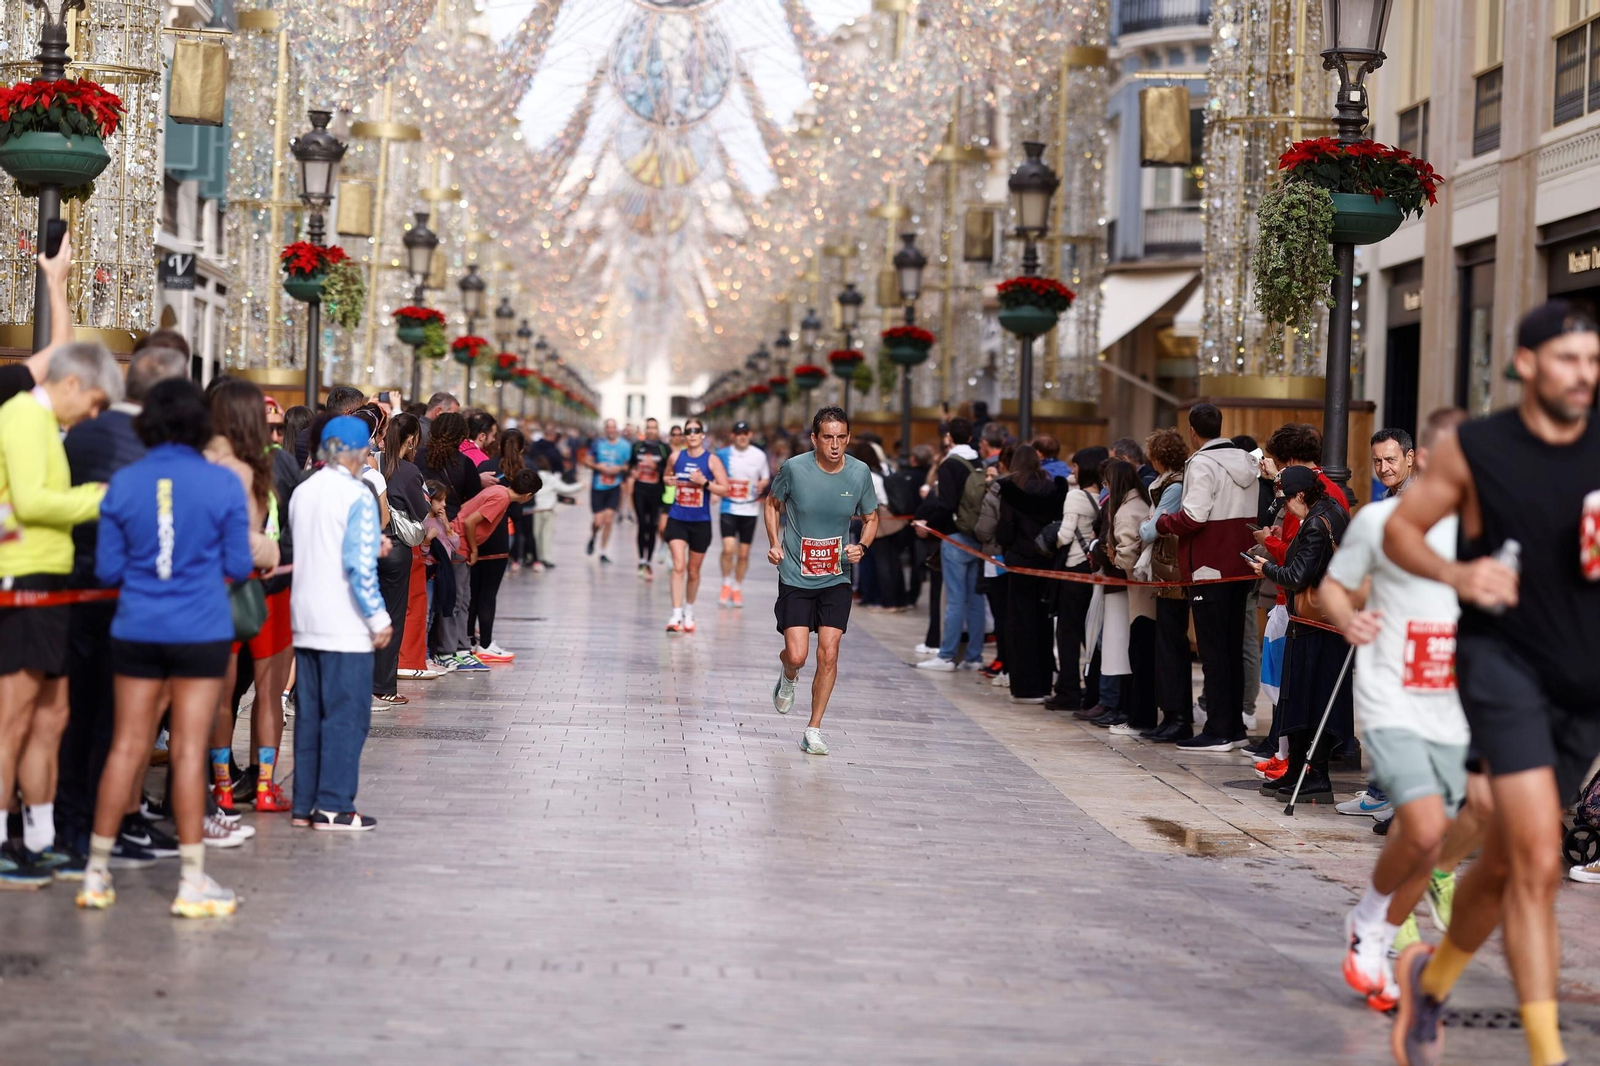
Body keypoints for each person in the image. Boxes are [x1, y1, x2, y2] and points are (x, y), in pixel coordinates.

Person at [1386, 300, 1600, 1066]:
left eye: (1593, 361)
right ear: (1527, 364)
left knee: (1510, 860)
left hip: (1585, 683)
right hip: (1504, 668)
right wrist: (1456, 571)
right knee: (1541, 857)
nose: (1585, 375)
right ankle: (1549, 1055)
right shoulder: (1477, 449)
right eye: (1570, 360)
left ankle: (1433, 984)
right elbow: (1405, 531)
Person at [75, 378, 254, 916]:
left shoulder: (124, 483)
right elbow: (240, 565)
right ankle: (191, 883)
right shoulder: (222, 483)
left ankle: (95, 873)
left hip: (136, 626)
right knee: (185, 750)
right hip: (200, 629)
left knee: (127, 746)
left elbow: (108, 568)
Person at [1319, 407, 1477, 1012]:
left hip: (1457, 702)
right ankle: (1371, 924)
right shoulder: (1379, 522)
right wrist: (1347, 615)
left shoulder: (1483, 529)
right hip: (1391, 697)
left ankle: (1396, 908)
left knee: (1458, 826)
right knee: (1424, 825)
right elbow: (1335, 585)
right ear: (1431, 458)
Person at [52, 345, 189, 879]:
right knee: (117, 720)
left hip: (68, 582)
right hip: (129, 594)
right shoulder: (156, 447)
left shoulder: (80, 431)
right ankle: (100, 823)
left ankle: (74, 821)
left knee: (72, 712)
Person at [0, 339, 124, 885]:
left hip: (50, 579)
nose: (94, 416)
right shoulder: (26, 416)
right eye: (95, 402)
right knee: (13, 721)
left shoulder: (43, 419)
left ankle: (41, 838)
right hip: (23, 577)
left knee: (50, 717)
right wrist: (100, 496)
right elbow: (31, 501)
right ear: (72, 384)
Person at [288, 416, 394, 832]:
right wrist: (378, 617)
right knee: (347, 717)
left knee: (310, 715)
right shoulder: (357, 494)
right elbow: (355, 564)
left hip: (306, 618)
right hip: (344, 623)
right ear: (353, 452)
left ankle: (304, 804)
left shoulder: (304, 490)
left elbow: (320, 546)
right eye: (367, 450)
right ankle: (333, 805)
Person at [766, 407, 879, 756]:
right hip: (797, 575)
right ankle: (788, 675)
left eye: (841, 437)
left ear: (848, 438)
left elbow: (872, 516)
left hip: (836, 575)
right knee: (798, 656)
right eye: (827, 437)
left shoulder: (860, 473)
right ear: (814, 438)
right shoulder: (794, 469)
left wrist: (861, 545)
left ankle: (813, 728)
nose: (834, 445)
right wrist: (774, 543)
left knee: (829, 653)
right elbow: (772, 505)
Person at [1155, 403, 1259, 752]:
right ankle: (1234, 728)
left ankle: (1218, 729)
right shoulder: (1246, 460)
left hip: (1208, 569)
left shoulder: (1202, 462)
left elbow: (1193, 517)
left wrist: (1162, 523)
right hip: (1240, 567)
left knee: (1214, 654)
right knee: (1230, 648)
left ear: (1192, 431)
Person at [1246, 465, 1351, 804]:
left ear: (1300, 495)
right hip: (1319, 623)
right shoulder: (1329, 513)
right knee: (1306, 697)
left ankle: (1315, 774)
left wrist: (1266, 568)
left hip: (1315, 624)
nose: (1285, 505)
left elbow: (1297, 574)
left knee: (1309, 697)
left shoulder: (1317, 523)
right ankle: (1300, 771)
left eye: (1286, 498)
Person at [203, 379, 281, 812]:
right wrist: (269, 550)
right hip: (240, 586)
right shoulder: (250, 469)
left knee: (216, 695)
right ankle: (261, 785)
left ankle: (220, 786)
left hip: (195, 588)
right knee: (260, 690)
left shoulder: (195, 461)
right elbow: (242, 541)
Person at [994, 445, 1067, 704]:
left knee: (1020, 624)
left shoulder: (1010, 490)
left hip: (1020, 564)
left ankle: (1026, 687)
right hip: (1047, 563)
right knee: (1044, 623)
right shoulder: (1055, 488)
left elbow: (1005, 531)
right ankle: (1046, 684)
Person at [913, 417, 986, 671]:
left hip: (954, 537)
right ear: (970, 437)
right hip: (977, 536)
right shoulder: (979, 462)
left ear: (948, 438)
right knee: (976, 600)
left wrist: (928, 526)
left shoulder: (950, 465)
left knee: (955, 599)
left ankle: (946, 655)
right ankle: (974, 656)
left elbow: (946, 505)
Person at [1089, 459, 1155, 731]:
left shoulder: (1125, 510)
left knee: (1133, 652)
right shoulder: (1139, 503)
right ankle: (1130, 711)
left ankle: (1132, 714)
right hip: (1139, 589)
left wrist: (1112, 556)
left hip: (1132, 587)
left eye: (1106, 482)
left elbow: (1126, 556)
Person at [1138, 428, 1193, 741]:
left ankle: (1178, 716)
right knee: (1167, 644)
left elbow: (1153, 528)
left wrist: (1142, 526)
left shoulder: (1173, 486)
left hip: (1171, 570)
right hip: (1166, 568)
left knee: (1171, 644)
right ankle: (1170, 714)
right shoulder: (1169, 481)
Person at [419, 411, 485, 672]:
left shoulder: (419, 457)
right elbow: (475, 499)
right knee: (457, 594)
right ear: (461, 436)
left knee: (430, 597)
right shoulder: (464, 463)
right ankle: (453, 648)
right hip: (450, 534)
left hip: (423, 532)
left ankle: (432, 649)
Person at [373, 413, 426, 703]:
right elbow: (421, 511)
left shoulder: (370, 462)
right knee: (391, 617)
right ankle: (383, 687)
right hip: (395, 549)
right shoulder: (408, 471)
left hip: (366, 546)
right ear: (410, 439)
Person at [663, 419, 731, 633]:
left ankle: (689, 610)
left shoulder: (711, 461)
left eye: (696, 431)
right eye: (688, 431)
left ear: (702, 435)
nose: (692, 434)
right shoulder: (675, 457)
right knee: (678, 566)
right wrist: (668, 481)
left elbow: (725, 489)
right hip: (677, 517)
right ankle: (675, 614)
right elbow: (665, 476)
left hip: (700, 522)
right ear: (684, 435)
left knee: (693, 571)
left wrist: (705, 483)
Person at [1051, 447, 1106, 713]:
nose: (1072, 471)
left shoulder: (1074, 497)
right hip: (1093, 571)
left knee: (1068, 633)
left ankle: (1068, 689)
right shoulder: (1104, 498)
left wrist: (1050, 539)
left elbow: (1064, 535)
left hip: (1073, 568)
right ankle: (1094, 689)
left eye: (1075, 466)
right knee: (1091, 633)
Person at [716, 421, 771, 608]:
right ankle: (725, 582)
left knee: (743, 554)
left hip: (749, 508)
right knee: (729, 548)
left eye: (745, 433)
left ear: (750, 435)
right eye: (738, 433)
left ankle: (737, 586)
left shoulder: (759, 455)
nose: (742, 436)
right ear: (733, 435)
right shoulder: (723, 455)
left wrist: (762, 484)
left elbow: (765, 477)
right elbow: (714, 475)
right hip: (729, 506)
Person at [627, 417, 672, 580]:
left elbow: (670, 469)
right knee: (642, 525)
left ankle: (648, 562)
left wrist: (656, 467)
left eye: (654, 428)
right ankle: (640, 560)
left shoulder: (664, 448)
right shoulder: (637, 446)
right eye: (649, 428)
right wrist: (632, 472)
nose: (651, 431)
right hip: (640, 490)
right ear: (645, 430)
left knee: (652, 527)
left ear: (658, 430)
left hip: (657, 491)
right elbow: (630, 465)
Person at [585, 418, 631, 563]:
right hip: (598, 486)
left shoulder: (625, 445)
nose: (611, 430)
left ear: (616, 429)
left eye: (613, 427)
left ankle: (603, 551)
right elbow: (586, 461)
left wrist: (619, 469)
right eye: (608, 428)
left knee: (609, 519)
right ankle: (593, 537)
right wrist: (599, 467)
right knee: (598, 521)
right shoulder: (598, 443)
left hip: (614, 487)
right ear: (605, 430)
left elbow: (628, 465)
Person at [1372, 427, 1416, 499]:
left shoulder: (1422, 497)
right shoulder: (1388, 496)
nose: (1383, 469)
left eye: (1390, 459)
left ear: (1409, 458)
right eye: (1378, 461)